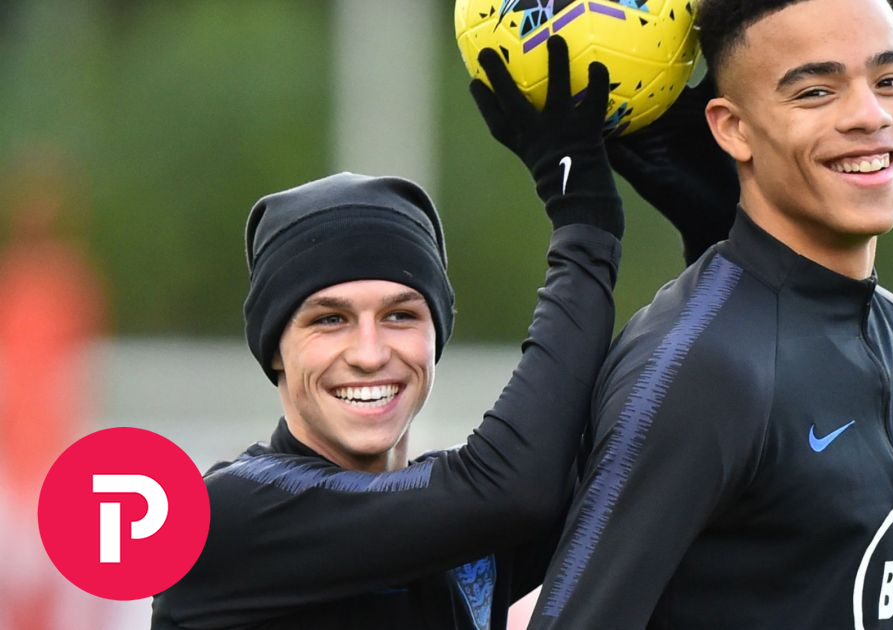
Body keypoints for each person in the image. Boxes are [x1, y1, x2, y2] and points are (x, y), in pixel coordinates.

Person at [152, 37, 629, 629]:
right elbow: (515, 487)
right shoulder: (220, 518)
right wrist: (585, 233)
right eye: (330, 319)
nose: (370, 353)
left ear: (437, 335)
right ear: (274, 349)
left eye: (400, 315)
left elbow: (648, 445)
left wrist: (706, 211)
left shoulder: (460, 517)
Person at [524, 0, 893, 627]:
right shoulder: (700, 367)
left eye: (890, 80)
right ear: (733, 129)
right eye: (815, 91)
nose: (871, 115)